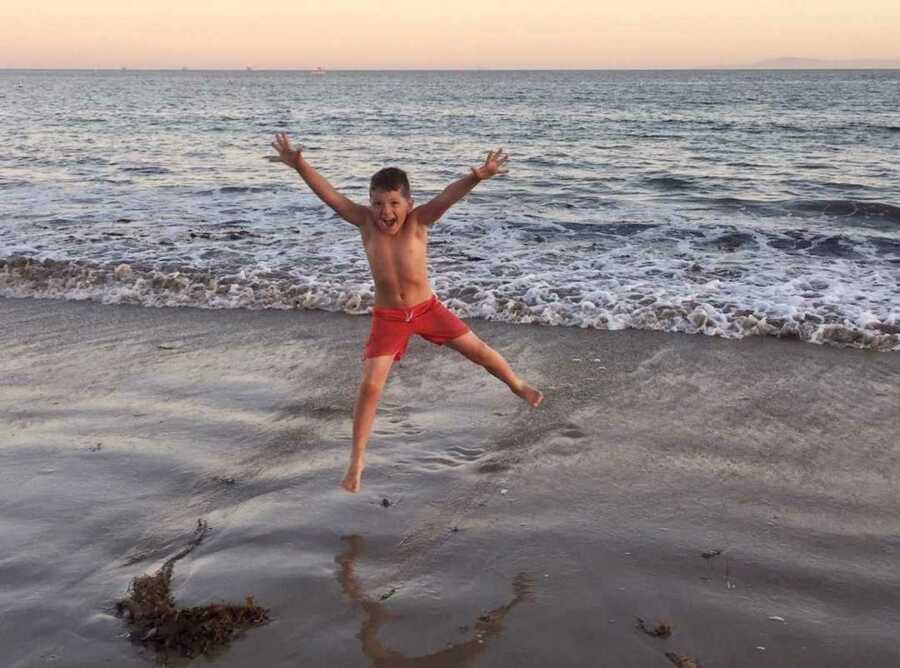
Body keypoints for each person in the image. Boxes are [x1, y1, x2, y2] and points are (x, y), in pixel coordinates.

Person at [271, 133, 543, 493]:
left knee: (480, 352)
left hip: (428, 310)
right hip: (389, 319)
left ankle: (516, 384)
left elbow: (448, 196)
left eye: (394, 203)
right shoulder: (365, 223)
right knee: (370, 386)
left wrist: (477, 176)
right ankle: (357, 460)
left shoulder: (418, 222)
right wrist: (300, 164)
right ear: (370, 205)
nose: (386, 212)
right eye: (378, 203)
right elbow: (331, 196)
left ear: (408, 203)